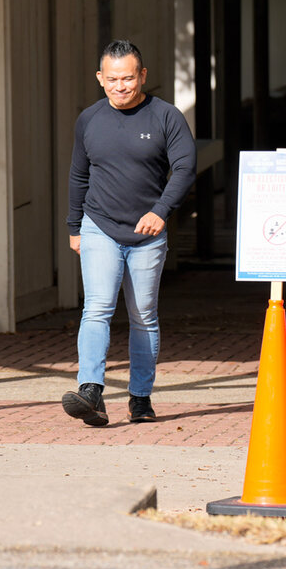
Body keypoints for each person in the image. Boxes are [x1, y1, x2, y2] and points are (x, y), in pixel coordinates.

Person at [61, 40, 196, 426]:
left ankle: (140, 398)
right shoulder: (89, 119)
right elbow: (78, 176)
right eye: (113, 79)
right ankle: (91, 391)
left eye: (129, 78)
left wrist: (161, 211)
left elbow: (185, 168)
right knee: (98, 307)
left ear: (143, 76)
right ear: (100, 78)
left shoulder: (166, 117)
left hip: (147, 232)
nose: (121, 86)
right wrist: (74, 227)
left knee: (143, 316)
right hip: (99, 226)